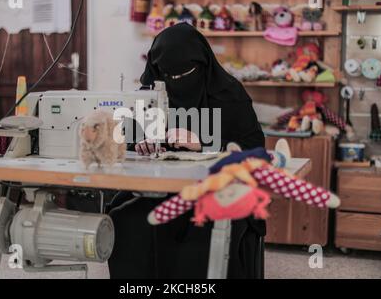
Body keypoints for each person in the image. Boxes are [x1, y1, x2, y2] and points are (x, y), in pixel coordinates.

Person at [108, 23, 265, 279]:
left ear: (202, 65)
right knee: (126, 220)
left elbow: (255, 149)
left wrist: (204, 143)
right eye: (169, 77)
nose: (177, 83)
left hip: (217, 191)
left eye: (185, 74)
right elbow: (125, 136)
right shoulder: (152, 93)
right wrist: (139, 143)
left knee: (202, 230)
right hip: (157, 189)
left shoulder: (228, 94)